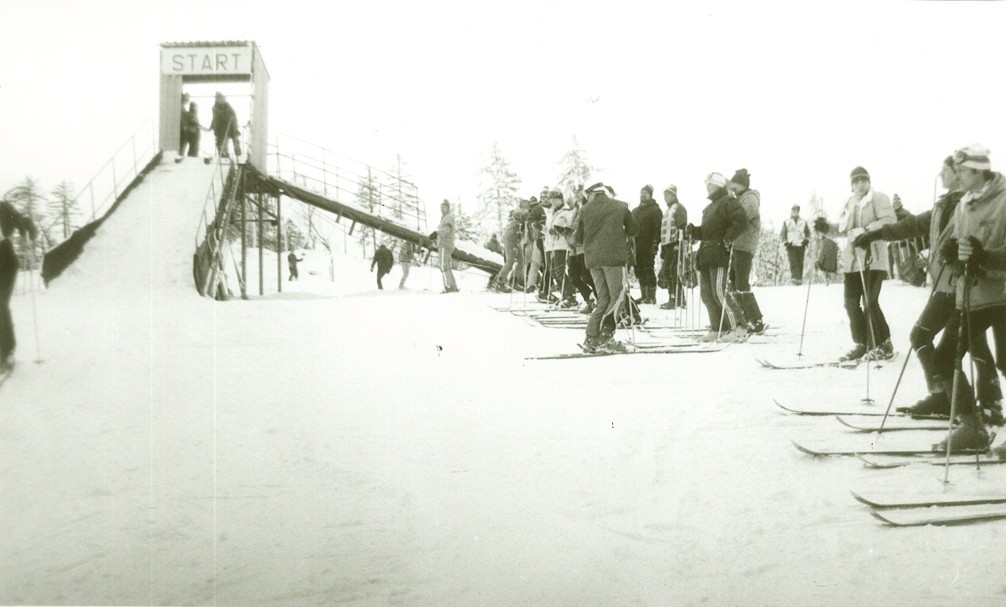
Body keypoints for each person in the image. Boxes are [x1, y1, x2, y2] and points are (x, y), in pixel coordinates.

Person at [855, 154, 1002, 421]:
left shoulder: (972, 205)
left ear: (958, 173)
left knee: (922, 337)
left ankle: (948, 397)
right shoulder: (944, 206)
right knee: (971, 342)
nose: (941, 175)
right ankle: (985, 401)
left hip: (959, 284)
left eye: (946, 170)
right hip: (951, 285)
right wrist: (875, 234)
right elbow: (912, 226)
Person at [927, 145, 1006, 450]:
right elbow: (960, 245)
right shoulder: (963, 204)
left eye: (961, 170)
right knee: (944, 357)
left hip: (1002, 294)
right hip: (972, 294)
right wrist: (953, 255)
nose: (956, 175)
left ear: (977, 171)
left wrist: (983, 256)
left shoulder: (1003, 199)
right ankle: (972, 428)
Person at [814, 166, 896, 361]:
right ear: (851, 185)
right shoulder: (849, 203)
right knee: (850, 303)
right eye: (856, 181)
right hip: (852, 261)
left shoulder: (879, 198)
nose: (860, 185)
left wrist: (866, 229)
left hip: (873, 259)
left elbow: (890, 220)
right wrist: (826, 228)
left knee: (870, 302)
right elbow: (844, 229)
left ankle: (884, 343)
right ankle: (862, 342)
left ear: (869, 182)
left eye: (863, 180)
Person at [574, 182, 638, 352]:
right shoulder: (620, 206)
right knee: (617, 297)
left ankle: (591, 337)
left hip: (593, 260)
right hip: (613, 258)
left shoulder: (584, 209)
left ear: (592, 195)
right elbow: (633, 230)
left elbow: (577, 238)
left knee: (603, 299)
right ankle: (606, 336)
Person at [687, 172, 749, 342]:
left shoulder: (729, 202)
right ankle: (718, 328)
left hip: (719, 253)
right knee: (707, 294)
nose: (707, 187)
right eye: (707, 184)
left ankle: (738, 328)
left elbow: (741, 220)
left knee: (720, 292)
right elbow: (707, 232)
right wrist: (694, 231)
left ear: (719, 185)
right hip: (706, 254)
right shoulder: (710, 208)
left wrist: (729, 236)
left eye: (710, 184)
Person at [726, 169, 767, 334]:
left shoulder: (749, 199)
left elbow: (740, 219)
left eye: (734, 185)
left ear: (741, 184)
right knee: (735, 282)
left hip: (745, 245)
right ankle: (744, 318)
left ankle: (755, 319)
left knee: (741, 283)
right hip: (738, 245)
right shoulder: (742, 198)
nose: (732, 188)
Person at [0, 202, 36, 370]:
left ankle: (6, 351)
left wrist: (27, 227)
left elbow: (20, 220)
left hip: (5, 263)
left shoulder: (2, 208)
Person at [631, 184, 663, 304]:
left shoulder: (655, 210)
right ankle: (644, 295)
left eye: (645, 193)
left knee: (648, 270)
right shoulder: (635, 211)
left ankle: (651, 296)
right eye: (641, 192)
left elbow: (657, 228)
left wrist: (655, 243)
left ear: (650, 195)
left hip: (648, 246)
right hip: (636, 246)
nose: (643, 195)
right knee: (639, 271)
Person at [658, 185, 688, 309]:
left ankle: (675, 299)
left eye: (668, 195)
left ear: (674, 195)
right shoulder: (667, 210)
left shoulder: (678, 208)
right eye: (664, 195)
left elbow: (682, 226)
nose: (665, 198)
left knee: (671, 270)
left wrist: (678, 244)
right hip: (667, 245)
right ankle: (677, 298)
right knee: (669, 271)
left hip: (675, 244)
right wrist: (663, 248)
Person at [567, 189, 596, 312]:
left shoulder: (587, 207)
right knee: (573, 276)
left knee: (587, 275)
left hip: (583, 246)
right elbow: (572, 226)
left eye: (579, 192)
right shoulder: (575, 208)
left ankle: (601, 300)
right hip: (573, 246)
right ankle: (590, 299)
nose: (577, 195)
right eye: (575, 193)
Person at [429, 199, 458, 293]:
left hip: (445, 245)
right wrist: (435, 241)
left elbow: (447, 229)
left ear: (448, 208)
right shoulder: (444, 218)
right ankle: (453, 287)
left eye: (444, 207)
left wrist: (436, 233)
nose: (442, 209)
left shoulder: (449, 217)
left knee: (443, 266)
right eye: (441, 207)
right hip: (443, 244)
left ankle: (449, 287)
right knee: (446, 266)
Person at [780, 205, 810, 285]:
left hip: (801, 244)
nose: (795, 212)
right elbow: (783, 234)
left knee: (800, 262)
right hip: (791, 245)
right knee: (793, 262)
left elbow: (808, 233)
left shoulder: (803, 222)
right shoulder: (787, 222)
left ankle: (799, 280)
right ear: (791, 211)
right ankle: (795, 278)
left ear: (798, 211)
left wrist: (807, 240)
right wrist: (785, 242)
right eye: (794, 210)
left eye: (797, 210)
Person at [210, 92, 242, 160]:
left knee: (236, 142)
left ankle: (239, 157)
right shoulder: (215, 108)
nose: (223, 99)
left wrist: (235, 125)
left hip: (232, 127)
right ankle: (225, 158)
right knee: (223, 144)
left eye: (223, 98)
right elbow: (215, 119)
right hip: (223, 129)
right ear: (217, 99)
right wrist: (215, 130)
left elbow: (234, 114)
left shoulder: (227, 105)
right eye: (221, 98)